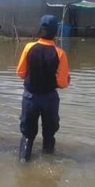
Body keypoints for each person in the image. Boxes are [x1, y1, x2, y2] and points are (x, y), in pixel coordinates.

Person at [16, 15, 70, 162]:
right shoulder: (60, 53)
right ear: (56, 32)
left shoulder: (29, 48)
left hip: (30, 98)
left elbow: (20, 73)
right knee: (49, 134)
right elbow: (63, 83)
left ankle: (23, 163)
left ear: (40, 30)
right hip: (50, 99)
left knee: (27, 135)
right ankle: (49, 162)